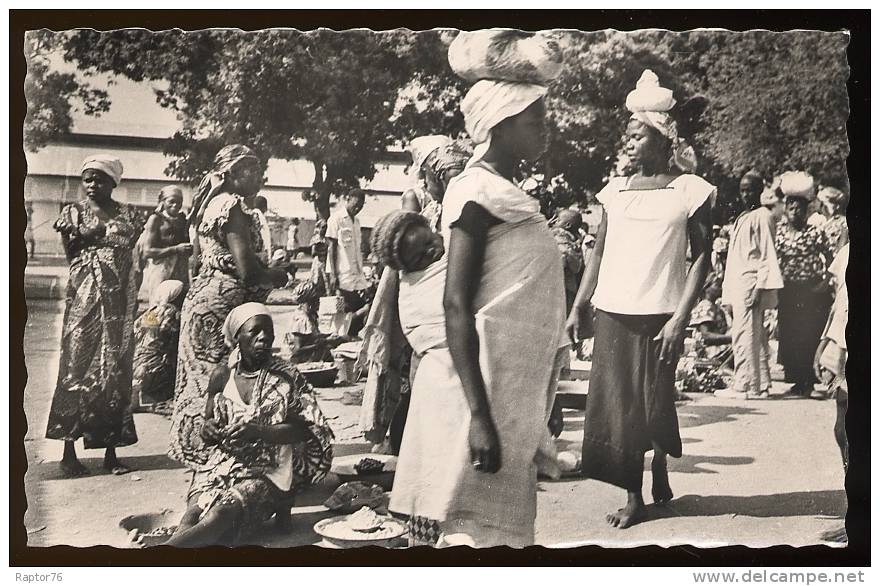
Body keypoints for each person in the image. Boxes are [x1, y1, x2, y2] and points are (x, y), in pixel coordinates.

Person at [390, 60, 568, 546]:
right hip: (476, 395)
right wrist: (480, 417)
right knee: (468, 534)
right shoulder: (473, 192)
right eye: (536, 122)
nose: (545, 131)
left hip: (508, 387)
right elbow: (455, 304)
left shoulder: (509, 195)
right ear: (501, 126)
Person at [565, 70, 714, 528]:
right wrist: (578, 306)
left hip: (661, 315)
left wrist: (680, 319)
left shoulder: (691, 189)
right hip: (614, 312)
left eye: (636, 135)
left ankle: (661, 461)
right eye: (627, 136)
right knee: (620, 407)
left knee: (656, 400)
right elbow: (598, 252)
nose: (628, 143)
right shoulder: (615, 190)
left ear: (662, 137)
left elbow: (702, 257)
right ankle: (634, 496)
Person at [166, 303, 333, 547]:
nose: (264, 337)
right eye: (254, 332)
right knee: (191, 516)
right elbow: (208, 425)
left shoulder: (287, 377)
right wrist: (208, 429)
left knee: (217, 516)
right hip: (220, 466)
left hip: (269, 471)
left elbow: (307, 430)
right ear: (237, 338)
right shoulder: (222, 376)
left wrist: (259, 431)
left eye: (268, 331)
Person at [169, 145, 290, 470]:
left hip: (206, 299)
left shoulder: (213, 204)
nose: (260, 176)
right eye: (252, 169)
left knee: (203, 381)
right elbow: (247, 270)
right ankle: (219, 463)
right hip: (224, 305)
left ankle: (204, 458)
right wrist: (279, 276)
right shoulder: (232, 206)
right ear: (232, 174)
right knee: (222, 379)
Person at [358, 139, 473, 455]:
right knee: (421, 390)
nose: (427, 183)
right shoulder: (429, 217)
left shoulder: (453, 210)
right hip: (430, 333)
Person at [46, 154, 145, 477]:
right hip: (84, 305)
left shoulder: (130, 215)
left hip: (119, 305)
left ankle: (111, 453)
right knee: (75, 370)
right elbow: (71, 256)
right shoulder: (72, 214)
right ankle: (68, 451)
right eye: (87, 179)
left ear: (113, 182)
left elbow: (131, 257)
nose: (92, 185)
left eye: (99, 179)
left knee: (115, 373)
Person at [719, 172, 785, 399]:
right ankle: (762, 384)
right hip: (739, 281)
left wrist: (759, 287)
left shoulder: (763, 216)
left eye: (750, 189)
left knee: (744, 333)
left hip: (751, 281)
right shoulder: (744, 217)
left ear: (759, 191)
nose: (745, 194)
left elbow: (767, 255)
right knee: (753, 334)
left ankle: (744, 385)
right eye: (743, 190)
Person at [774, 171, 833, 397]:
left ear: (806, 209)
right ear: (786, 208)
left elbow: (830, 259)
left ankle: (808, 381)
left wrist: (825, 282)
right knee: (789, 333)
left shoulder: (815, 233)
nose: (795, 211)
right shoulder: (779, 233)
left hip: (811, 291)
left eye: (799, 207)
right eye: (791, 206)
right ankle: (797, 379)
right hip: (787, 290)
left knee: (807, 334)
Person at [132, 279, 185, 414]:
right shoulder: (172, 313)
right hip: (153, 372)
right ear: (175, 297)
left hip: (136, 368)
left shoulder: (149, 312)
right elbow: (177, 346)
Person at [326, 188, 371, 335]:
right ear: (348, 199)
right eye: (356, 204)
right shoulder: (336, 219)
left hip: (356, 274)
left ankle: (350, 335)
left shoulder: (357, 222)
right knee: (339, 308)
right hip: (341, 273)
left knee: (361, 306)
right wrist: (333, 274)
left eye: (361, 206)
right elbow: (331, 247)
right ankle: (337, 336)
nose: (357, 208)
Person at [138, 185, 191, 302]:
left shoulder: (182, 220)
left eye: (179, 202)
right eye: (171, 201)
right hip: (160, 269)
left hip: (180, 268)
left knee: (178, 303)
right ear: (163, 202)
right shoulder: (156, 219)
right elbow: (147, 251)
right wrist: (176, 249)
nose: (175, 205)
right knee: (159, 305)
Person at [401, 135, 452, 231]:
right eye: (434, 159)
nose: (440, 164)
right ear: (423, 165)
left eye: (444, 159)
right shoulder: (415, 197)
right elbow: (409, 236)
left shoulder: (454, 191)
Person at [818, 186, 849, 254]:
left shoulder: (843, 222)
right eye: (821, 204)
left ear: (836, 206)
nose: (822, 207)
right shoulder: (818, 220)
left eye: (825, 204)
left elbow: (842, 245)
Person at [253, 195, 273, 264]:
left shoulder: (252, 214)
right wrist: (267, 253)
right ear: (264, 206)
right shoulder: (259, 215)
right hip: (260, 253)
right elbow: (264, 236)